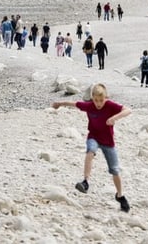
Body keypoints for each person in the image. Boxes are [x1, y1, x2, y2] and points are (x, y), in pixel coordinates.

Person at [52, 84, 132, 213]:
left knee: (115, 170)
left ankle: (120, 195)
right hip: (94, 137)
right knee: (90, 151)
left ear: (105, 97)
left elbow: (128, 110)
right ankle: (85, 182)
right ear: (92, 98)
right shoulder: (89, 106)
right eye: (96, 100)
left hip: (108, 142)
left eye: (101, 100)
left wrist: (114, 118)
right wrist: (59, 103)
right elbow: (73, 104)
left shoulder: (110, 105)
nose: (98, 103)